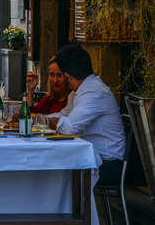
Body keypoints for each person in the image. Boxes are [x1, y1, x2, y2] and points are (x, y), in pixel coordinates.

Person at [47, 44, 125, 185]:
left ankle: (68, 207)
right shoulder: (83, 90)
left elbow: (69, 128)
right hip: (92, 157)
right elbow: (64, 115)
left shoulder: (94, 92)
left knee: (54, 171)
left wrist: (53, 123)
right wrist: (36, 119)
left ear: (67, 77)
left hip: (107, 163)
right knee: (51, 165)